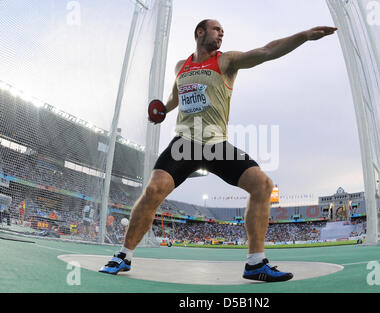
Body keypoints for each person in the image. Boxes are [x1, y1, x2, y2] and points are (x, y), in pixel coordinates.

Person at [100, 19, 337, 282]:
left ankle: (256, 263)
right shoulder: (182, 66)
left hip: (216, 144)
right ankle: (123, 255)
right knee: (154, 190)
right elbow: (175, 99)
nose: (222, 32)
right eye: (216, 29)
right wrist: (163, 111)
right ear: (200, 32)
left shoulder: (226, 61)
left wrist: (303, 35)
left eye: (223, 30)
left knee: (262, 186)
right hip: (185, 143)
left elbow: (267, 51)